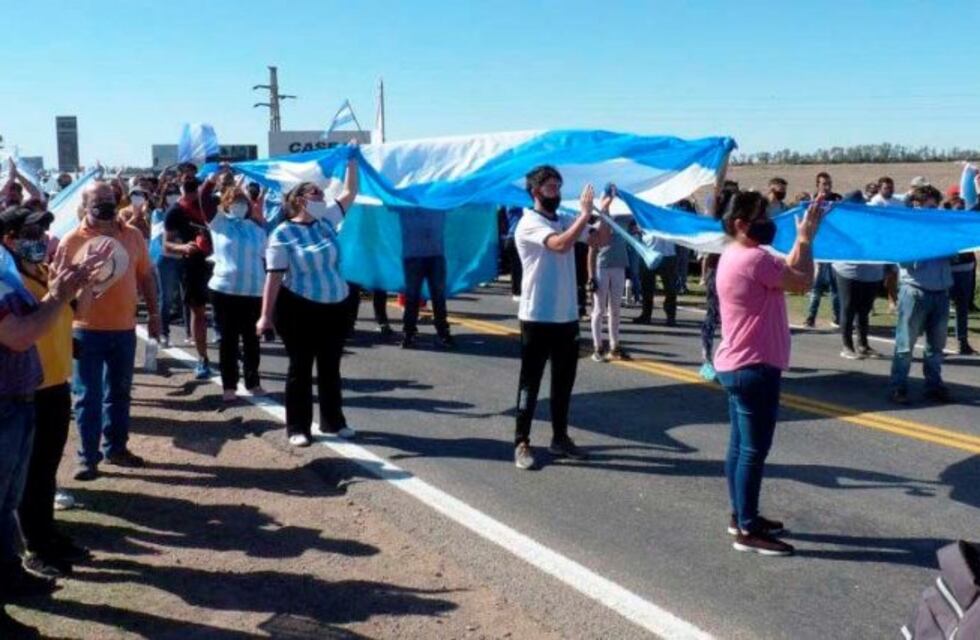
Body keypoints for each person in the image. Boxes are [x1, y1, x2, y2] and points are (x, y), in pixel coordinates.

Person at [0, 208, 108, 610]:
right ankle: (33, 547)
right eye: (31, 231)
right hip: (30, 385)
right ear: (9, 238)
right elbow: (24, 329)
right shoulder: (14, 278)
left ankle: (45, 535)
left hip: (55, 381)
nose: (42, 236)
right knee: (26, 478)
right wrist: (61, 292)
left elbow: (80, 313)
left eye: (44, 229)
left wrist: (87, 283)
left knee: (45, 471)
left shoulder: (44, 270)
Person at [714, 191, 828, 556]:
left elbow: (787, 274)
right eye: (761, 214)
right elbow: (802, 281)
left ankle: (741, 516)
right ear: (740, 224)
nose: (768, 220)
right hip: (754, 366)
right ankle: (747, 530)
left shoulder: (736, 255)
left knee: (739, 447)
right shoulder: (753, 259)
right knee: (753, 451)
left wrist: (800, 241)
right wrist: (807, 240)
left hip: (738, 364)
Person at [59, 180, 161, 480]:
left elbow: (146, 277)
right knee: (86, 396)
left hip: (124, 330)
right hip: (84, 331)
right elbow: (59, 289)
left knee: (119, 393)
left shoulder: (133, 236)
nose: (105, 202)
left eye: (109, 197)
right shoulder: (71, 240)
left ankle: (116, 448)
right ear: (85, 204)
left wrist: (154, 314)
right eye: (98, 199)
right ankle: (87, 459)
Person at [256, 151, 359, 447]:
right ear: (300, 200)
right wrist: (265, 315)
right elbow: (273, 277)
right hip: (299, 308)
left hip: (336, 305)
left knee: (330, 366)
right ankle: (298, 427)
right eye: (315, 195)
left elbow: (351, 192)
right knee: (300, 368)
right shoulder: (282, 234)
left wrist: (352, 160)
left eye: (322, 195)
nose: (322, 199)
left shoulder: (326, 222)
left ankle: (333, 421)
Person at [512, 165, 610, 470]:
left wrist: (603, 211)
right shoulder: (529, 223)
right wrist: (584, 214)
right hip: (537, 314)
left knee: (563, 382)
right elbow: (559, 245)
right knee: (530, 382)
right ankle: (521, 441)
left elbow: (599, 240)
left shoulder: (566, 219)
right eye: (550, 187)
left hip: (566, 315)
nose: (556, 192)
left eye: (558, 186)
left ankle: (559, 437)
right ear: (535, 192)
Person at [889, 186, 952, 405]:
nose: (935, 211)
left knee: (936, 347)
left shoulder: (941, 229)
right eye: (931, 207)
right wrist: (925, 244)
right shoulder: (907, 229)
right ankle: (898, 387)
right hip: (915, 292)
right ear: (917, 205)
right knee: (905, 346)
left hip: (940, 293)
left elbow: (953, 255)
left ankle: (933, 386)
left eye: (936, 207)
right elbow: (904, 261)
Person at [205, 182, 268, 402]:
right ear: (226, 204)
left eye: (243, 202)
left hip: (253, 291)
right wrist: (216, 179)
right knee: (228, 340)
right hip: (224, 291)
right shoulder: (219, 223)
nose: (240, 205)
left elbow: (266, 254)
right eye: (235, 202)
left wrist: (260, 218)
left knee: (252, 340)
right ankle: (229, 385)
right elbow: (205, 197)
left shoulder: (256, 229)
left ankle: (253, 381)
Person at [164, 176, 213, 378]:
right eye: (188, 188)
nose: (192, 193)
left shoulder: (212, 205)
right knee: (198, 311)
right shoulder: (175, 211)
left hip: (221, 264)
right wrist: (183, 246)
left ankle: (233, 354)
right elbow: (166, 243)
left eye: (195, 188)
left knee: (225, 315)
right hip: (193, 265)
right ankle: (202, 358)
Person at [399, 208, 455, 349]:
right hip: (415, 256)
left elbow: (457, 198)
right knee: (414, 297)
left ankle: (442, 332)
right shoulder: (406, 200)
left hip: (433, 255)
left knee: (437, 296)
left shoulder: (438, 200)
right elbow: (388, 200)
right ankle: (409, 333)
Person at [698, 187, 738, 382]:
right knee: (712, 315)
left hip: (735, 273)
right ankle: (706, 360)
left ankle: (729, 360)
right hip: (717, 272)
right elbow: (715, 189)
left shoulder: (739, 224)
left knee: (731, 318)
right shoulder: (716, 222)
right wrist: (724, 157)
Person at [587, 210, 630, 361]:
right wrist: (591, 277)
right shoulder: (598, 225)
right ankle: (597, 347)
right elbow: (591, 253)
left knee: (616, 309)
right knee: (599, 309)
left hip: (619, 267)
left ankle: (614, 345)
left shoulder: (624, 222)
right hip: (602, 268)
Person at [803, 172, 841, 328]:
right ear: (817, 185)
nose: (827, 186)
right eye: (823, 183)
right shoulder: (812, 201)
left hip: (833, 247)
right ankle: (811, 316)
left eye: (829, 183)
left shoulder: (837, 200)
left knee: (835, 284)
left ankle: (837, 317)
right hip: (818, 246)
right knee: (817, 284)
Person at [942, 195, 976, 355]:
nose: (961, 210)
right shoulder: (944, 223)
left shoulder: (966, 221)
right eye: (958, 207)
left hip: (966, 269)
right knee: (942, 309)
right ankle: (938, 343)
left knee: (962, 309)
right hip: (950, 271)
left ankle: (962, 342)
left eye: (963, 207)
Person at [832, 258, 884, 359]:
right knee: (848, 309)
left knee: (864, 311)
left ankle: (863, 346)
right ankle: (847, 347)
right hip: (849, 271)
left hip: (873, 274)